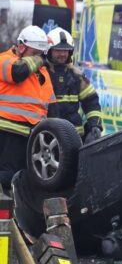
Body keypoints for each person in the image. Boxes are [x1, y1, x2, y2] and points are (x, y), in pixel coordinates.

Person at [0, 25, 56, 191]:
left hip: (32, 136)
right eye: (35, 53)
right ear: (22, 47)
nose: (39, 58)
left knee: (23, 177)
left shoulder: (42, 72)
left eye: (41, 54)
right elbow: (18, 72)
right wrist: (40, 59)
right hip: (7, 131)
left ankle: (15, 214)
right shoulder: (5, 59)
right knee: (8, 175)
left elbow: (51, 107)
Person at [46, 27, 103, 143]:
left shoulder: (77, 76)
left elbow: (91, 102)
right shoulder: (42, 74)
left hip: (74, 138)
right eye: (58, 50)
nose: (62, 54)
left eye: (66, 50)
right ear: (49, 50)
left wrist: (95, 125)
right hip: (46, 136)